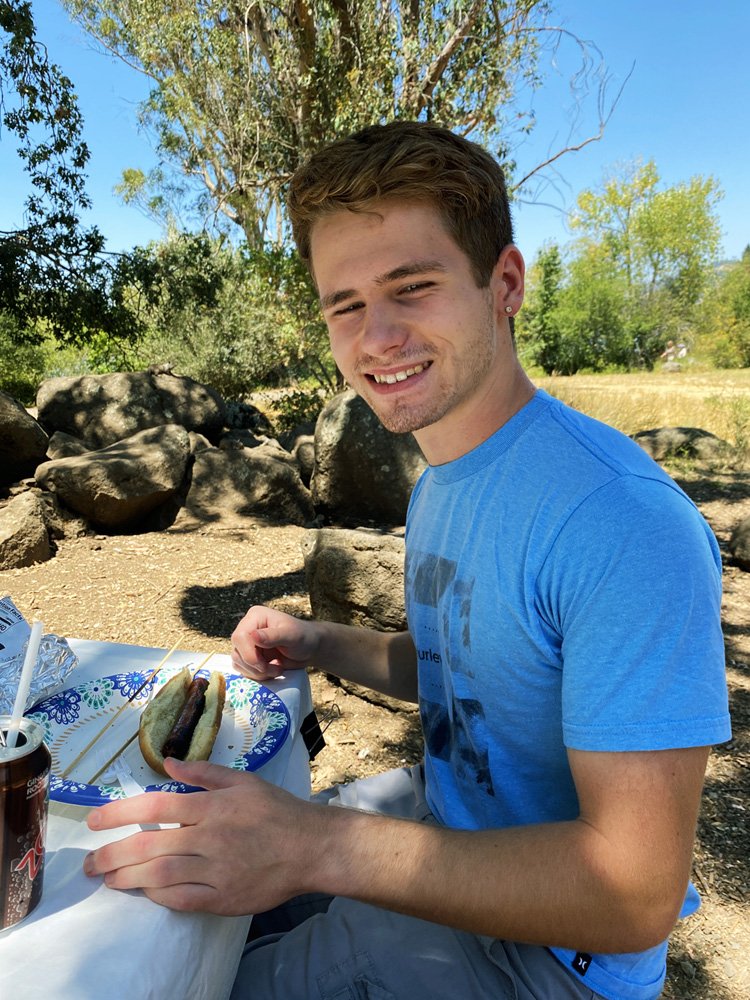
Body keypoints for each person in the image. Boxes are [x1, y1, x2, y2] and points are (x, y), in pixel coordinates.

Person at [83, 122, 731, 1000]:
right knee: (170, 897)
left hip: (548, 960)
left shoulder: (622, 523)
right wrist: (318, 641)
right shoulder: (441, 483)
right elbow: (466, 671)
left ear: (505, 284)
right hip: (445, 819)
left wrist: (316, 847)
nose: (376, 337)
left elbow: (635, 894)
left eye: (412, 287)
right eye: (345, 305)